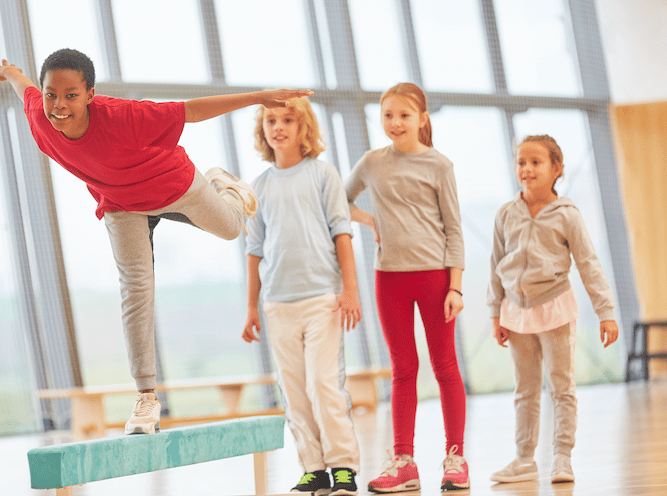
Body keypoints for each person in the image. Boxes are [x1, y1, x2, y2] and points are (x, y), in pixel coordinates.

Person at [0, 48, 312, 435]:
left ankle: (226, 186)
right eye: (52, 94)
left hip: (171, 184)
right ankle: (146, 397)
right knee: (136, 288)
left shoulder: (124, 117)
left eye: (71, 95)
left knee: (231, 228)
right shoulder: (39, 115)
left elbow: (191, 110)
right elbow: (26, 90)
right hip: (122, 204)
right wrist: (11, 74)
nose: (58, 105)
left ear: (90, 94)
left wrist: (257, 97)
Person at [344, 83, 468, 492]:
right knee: (403, 370)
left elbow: (454, 228)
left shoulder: (440, 165)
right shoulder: (372, 162)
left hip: (435, 279)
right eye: (388, 116)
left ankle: (455, 458)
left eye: (404, 115)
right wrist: (368, 220)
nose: (395, 123)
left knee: (445, 366)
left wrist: (456, 287)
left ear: (422, 119)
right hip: (389, 279)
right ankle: (404, 462)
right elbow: (339, 201)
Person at [242, 95, 361, 496]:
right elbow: (254, 251)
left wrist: (350, 291)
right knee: (293, 389)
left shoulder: (323, 174)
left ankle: (342, 466)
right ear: (264, 130)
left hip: (323, 299)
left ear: (302, 126)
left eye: (287, 120)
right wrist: (251, 308)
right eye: (271, 120)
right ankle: (314, 469)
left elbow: (341, 233)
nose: (278, 127)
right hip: (278, 304)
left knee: (324, 384)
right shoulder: (257, 188)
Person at [488, 135, 619, 484]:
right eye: (521, 162)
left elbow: (588, 263)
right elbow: (495, 265)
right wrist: (495, 313)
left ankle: (562, 457)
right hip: (515, 313)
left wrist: (605, 311)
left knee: (561, 387)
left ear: (556, 168)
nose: (527, 169)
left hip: (555, 308)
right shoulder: (505, 214)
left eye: (536, 162)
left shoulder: (568, 215)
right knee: (525, 390)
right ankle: (524, 459)